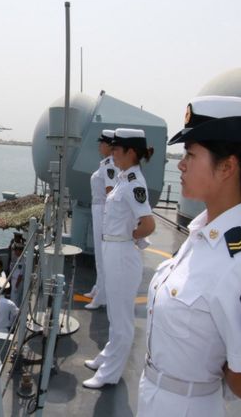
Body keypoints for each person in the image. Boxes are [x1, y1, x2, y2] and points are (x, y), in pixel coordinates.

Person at [137, 96, 241, 416]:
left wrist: (208, 365)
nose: (181, 164)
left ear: (227, 166)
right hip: (154, 397)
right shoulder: (201, 235)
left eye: (191, 154)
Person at [83, 127, 156, 389]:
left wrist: (129, 238)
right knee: (114, 312)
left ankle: (109, 374)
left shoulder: (135, 183)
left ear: (131, 152)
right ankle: (107, 356)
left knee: (122, 318)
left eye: (116, 149)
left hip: (122, 254)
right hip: (113, 249)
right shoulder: (124, 178)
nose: (111, 153)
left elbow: (148, 224)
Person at [84, 129, 119, 310]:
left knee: (102, 255)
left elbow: (110, 193)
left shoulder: (109, 166)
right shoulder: (105, 164)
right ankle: (98, 288)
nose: (99, 146)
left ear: (109, 146)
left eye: (102, 143)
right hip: (98, 209)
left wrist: (107, 218)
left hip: (103, 211)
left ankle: (102, 297)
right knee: (99, 254)